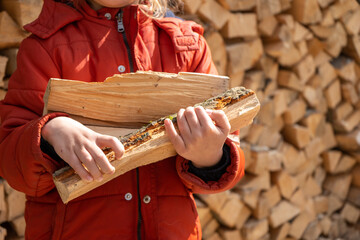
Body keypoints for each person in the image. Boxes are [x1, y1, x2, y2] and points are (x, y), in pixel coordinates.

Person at [0, 0, 245, 239]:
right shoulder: (46, 46)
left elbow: (227, 157)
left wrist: (210, 157)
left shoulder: (186, 46)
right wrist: (49, 132)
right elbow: (12, 163)